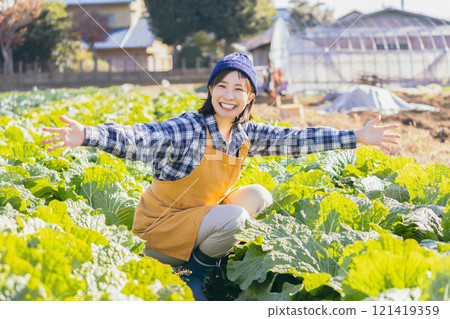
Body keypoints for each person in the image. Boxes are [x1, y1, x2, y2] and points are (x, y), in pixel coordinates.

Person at [41, 53, 401, 300]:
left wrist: (356, 137)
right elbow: (143, 137)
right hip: (160, 230)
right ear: (211, 90)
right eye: (222, 86)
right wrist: (89, 134)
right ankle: (194, 273)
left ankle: (207, 258)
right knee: (237, 217)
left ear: (249, 98)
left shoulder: (245, 133)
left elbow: (295, 140)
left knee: (259, 195)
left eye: (239, 89)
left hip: (198, 219)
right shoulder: (190, 129)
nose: (229, 95)